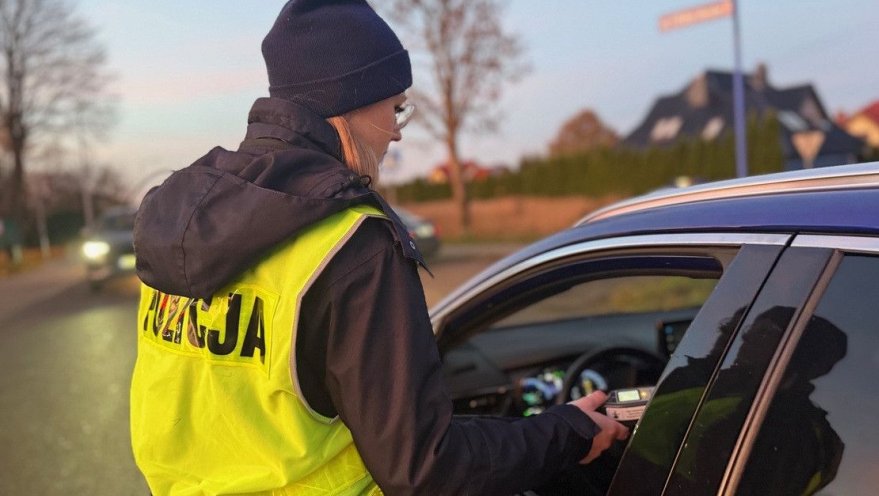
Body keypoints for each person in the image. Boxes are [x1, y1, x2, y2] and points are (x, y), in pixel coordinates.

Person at [129, 1, 629, 494]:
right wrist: (565, 432)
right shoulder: (350, 243)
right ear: (348, 103)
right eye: (394, 108)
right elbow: (427, 470)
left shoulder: (181, 223)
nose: (394, 131)